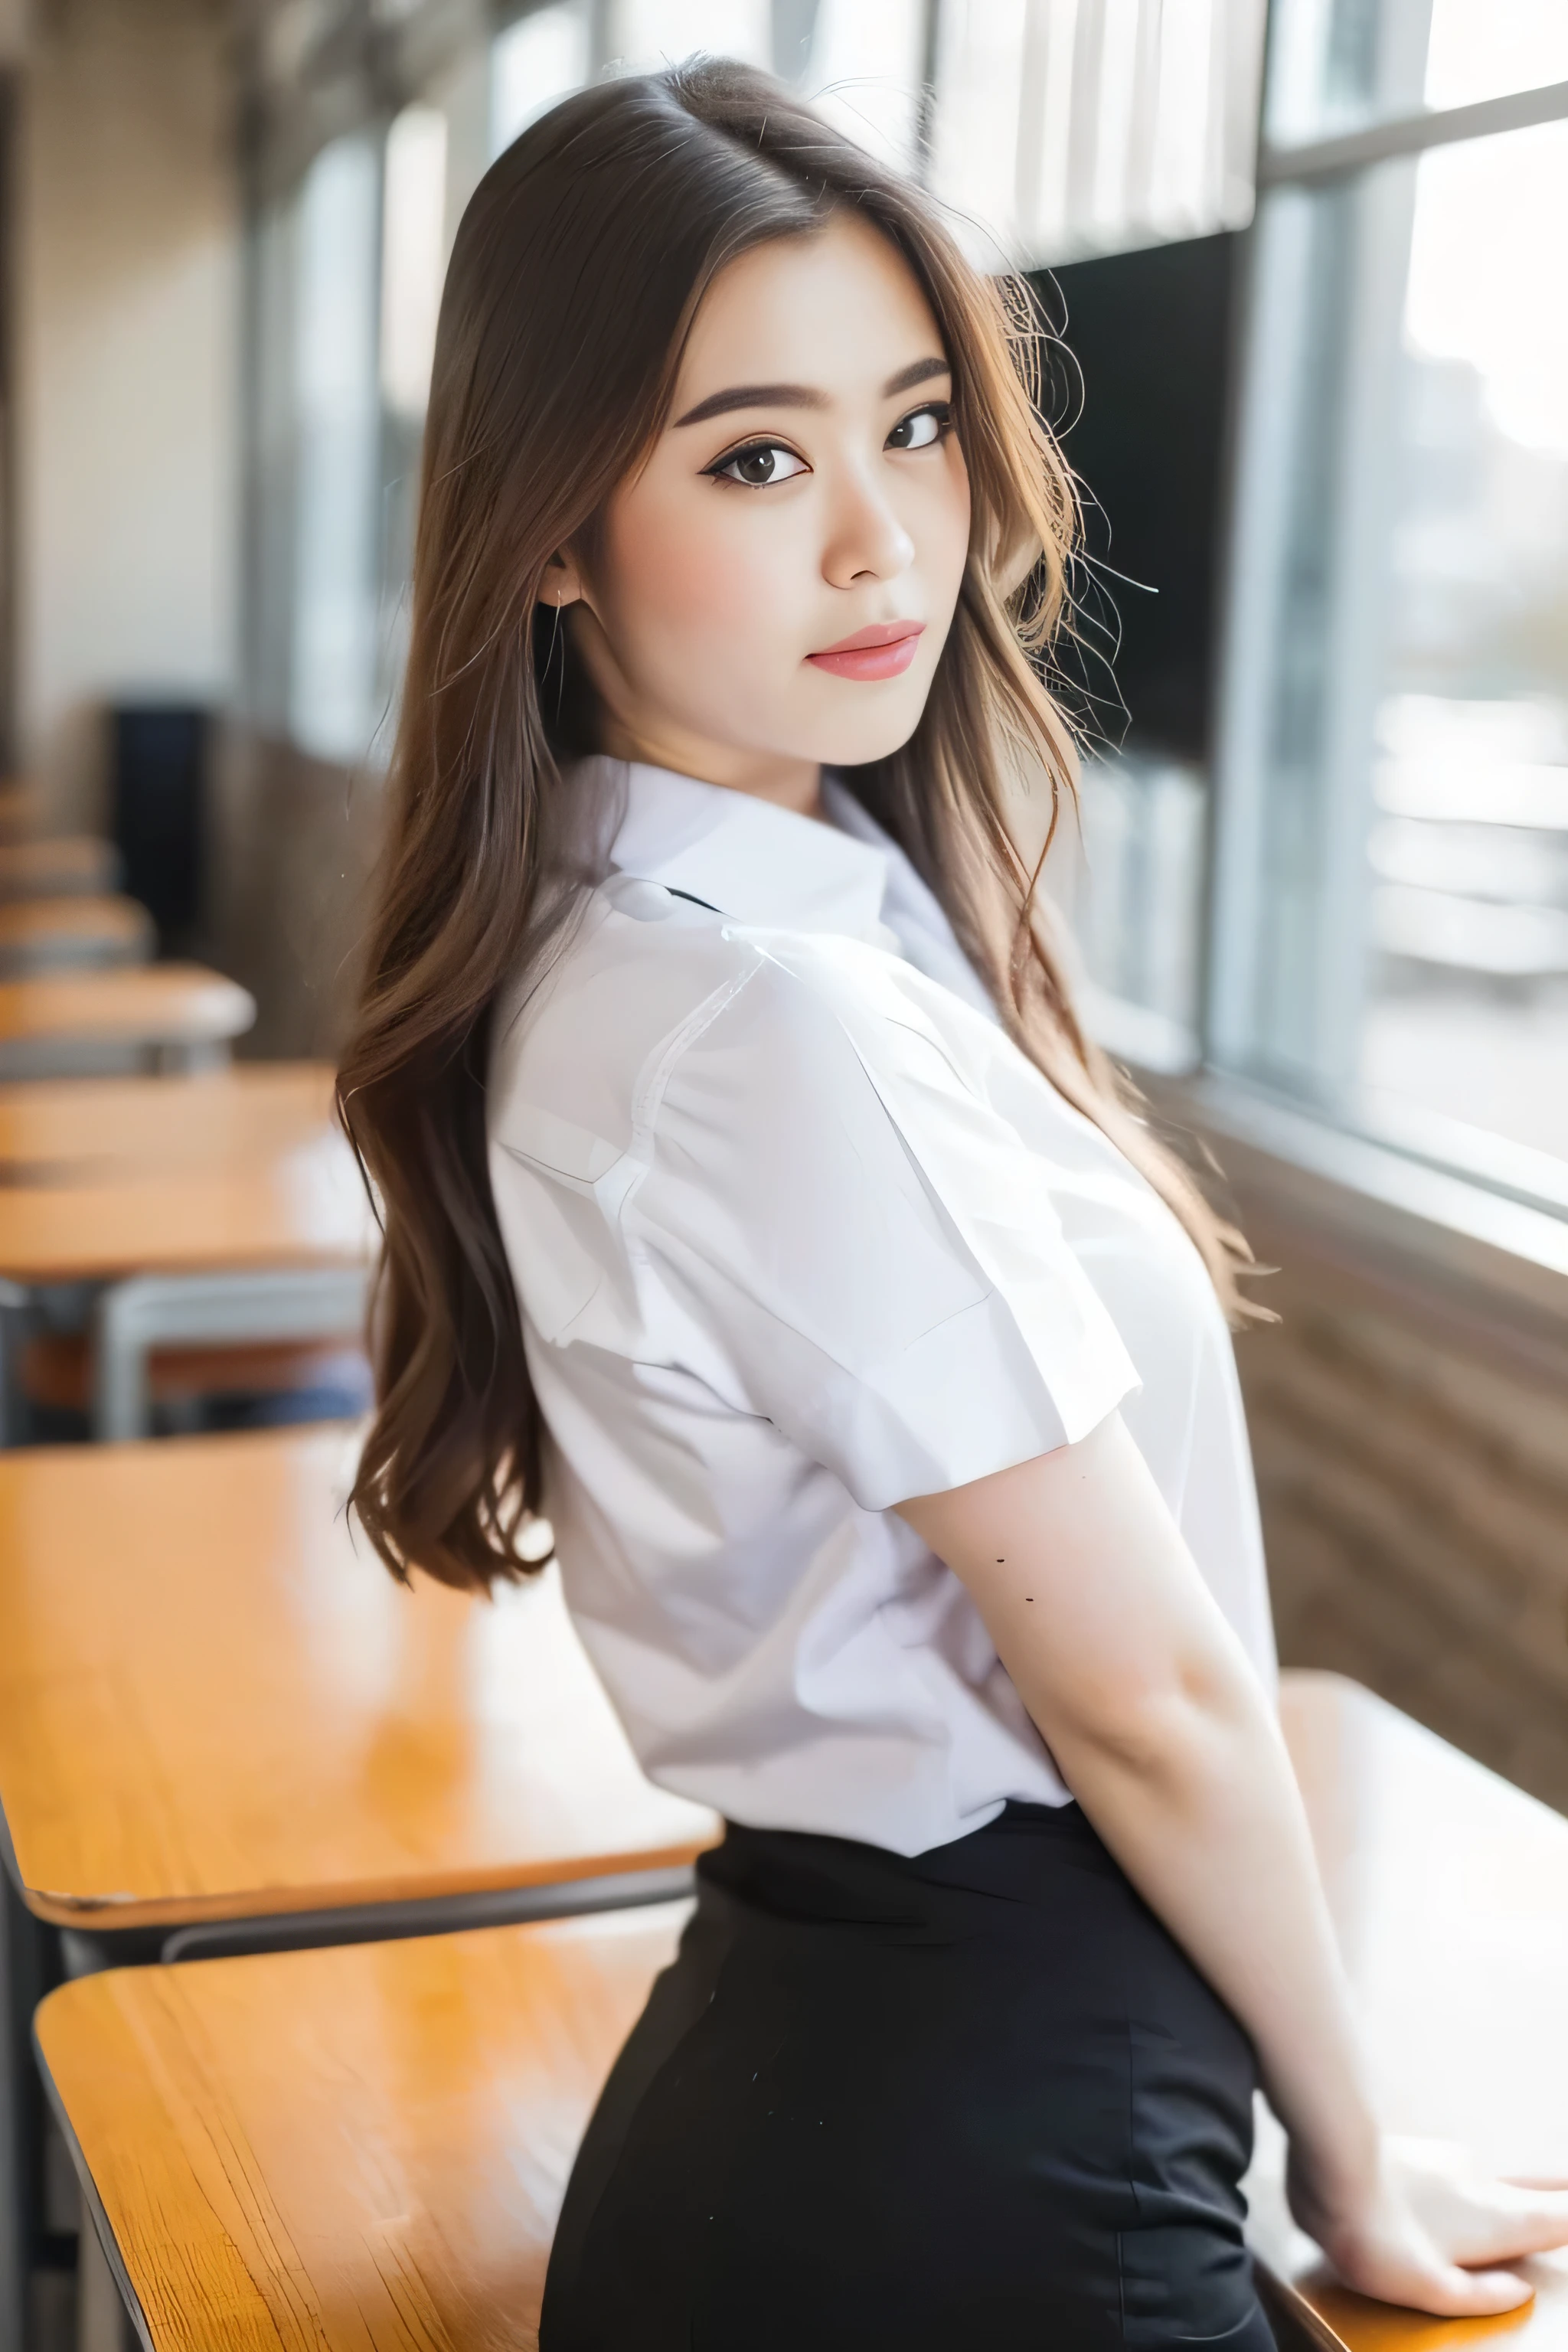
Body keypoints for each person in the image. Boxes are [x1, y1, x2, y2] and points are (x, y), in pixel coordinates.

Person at [338, 57, 1568, 2350]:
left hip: (834, 2079)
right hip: (1000, 2160)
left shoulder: (704, 934)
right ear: (548, 532)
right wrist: (1361, 2155)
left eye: (913, 423)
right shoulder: (761, 1021)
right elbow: (1157, 1703)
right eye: (754, 458)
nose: (882, 539)